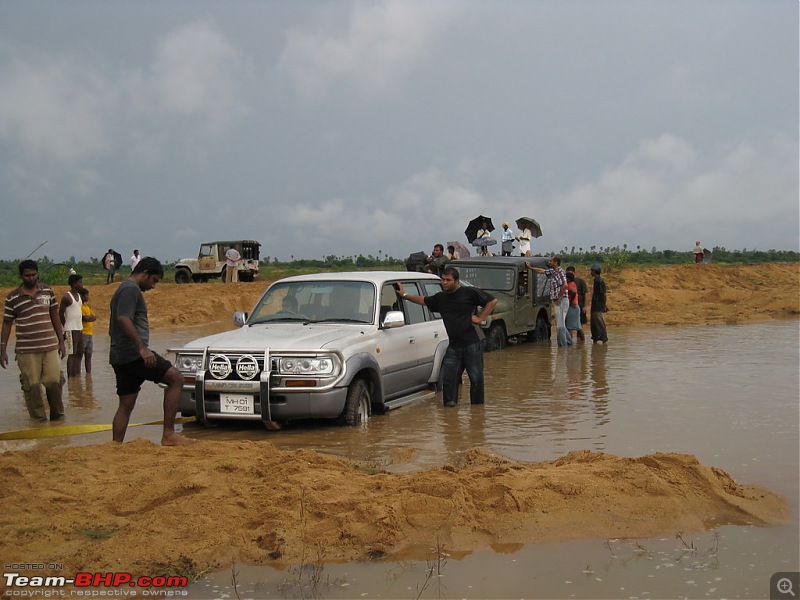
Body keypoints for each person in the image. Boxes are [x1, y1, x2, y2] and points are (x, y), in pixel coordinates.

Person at [109, 256, 191, 445]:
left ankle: (115, 445)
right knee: (176, 379)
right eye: (154, 281)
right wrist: (142, 348)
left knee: (126, 404)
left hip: (120, 355)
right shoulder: (130, 289)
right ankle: (169, 434)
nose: (153, 286)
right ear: (144, 274)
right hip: (133, 355)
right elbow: (123, 319)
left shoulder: (123, 288)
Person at [395, 266, 497, 407]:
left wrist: (480, 319)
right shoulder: (441, 298)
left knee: (475, 378)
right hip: (454, 345)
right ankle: (450, 406)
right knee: (449, 378)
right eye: (443, 280)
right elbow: (423, 300)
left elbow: (492, 301)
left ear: (456, 281)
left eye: (448, 280)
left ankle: (477, 411)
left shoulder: (469, 292)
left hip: (473, 342)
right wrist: (405, 295)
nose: (444, 283)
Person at [1, 260, 66, 421]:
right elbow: (7, 323)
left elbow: (55, 316)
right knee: (32, 385)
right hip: (26, 349)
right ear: (21, 276)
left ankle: (58, 418)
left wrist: (61, 340)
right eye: (27, 275)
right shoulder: (13, 297)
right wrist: (2, 349)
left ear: (37, 273)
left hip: (49, 345)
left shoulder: (47, 291)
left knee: (54, 380)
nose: (31, 278)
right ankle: (39, 421)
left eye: (33, 274)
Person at [526, 255, 572, 347]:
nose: (549, 262)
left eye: (551, 261)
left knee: (560, 325)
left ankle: (563, 347)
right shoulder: (554, 271)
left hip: (561, 300)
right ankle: (569, 343)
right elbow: (542, 271)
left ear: (556, 262)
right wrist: (530, 267)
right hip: (559, 300)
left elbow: (565, 285)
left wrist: (559, 298)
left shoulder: (560, 272)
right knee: (561, 323)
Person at [59, 273, 85, 377]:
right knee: (72, 354)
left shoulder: (79, 296)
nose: (82, 285)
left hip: (79, 328)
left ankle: (77, 376)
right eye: (80, 282)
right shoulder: (67, 297)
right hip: (70, 329)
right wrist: (66, 327)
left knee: (79, 353)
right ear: (74, 284)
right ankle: (71, 377)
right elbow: (60, 313)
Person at [590, 264, 609, 344]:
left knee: (599, 322)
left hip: (598, 305)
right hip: (595, 305)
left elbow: (603, 294)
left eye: (591, 271)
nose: (590, 272)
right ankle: (596, 338)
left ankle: (604, 338)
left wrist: (604, 305)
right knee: (594, 322)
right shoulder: (596, 280)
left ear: (594, 271)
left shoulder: (599, 281)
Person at [79, 288, 96, 374]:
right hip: (83, 333)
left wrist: (89, 318)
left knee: (89, 355)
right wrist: (89, 318)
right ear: (81, 296)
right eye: (86, 295)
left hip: (89, 333)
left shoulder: (86, 307)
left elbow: (93, 317)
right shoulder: (80, 307)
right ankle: (77, 373)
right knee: (80, 355)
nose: (88, 297)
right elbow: (86, 318)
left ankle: (88, 374)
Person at [565, 271, 584, 342]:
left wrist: (570, 301)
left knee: (569, 327)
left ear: (568, 279)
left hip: (572, 307)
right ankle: (582, 342)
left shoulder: (569, 285)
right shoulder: (573, 283)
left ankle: (569, 343)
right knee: (578, 326)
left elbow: (573, 292)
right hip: (576, 306)